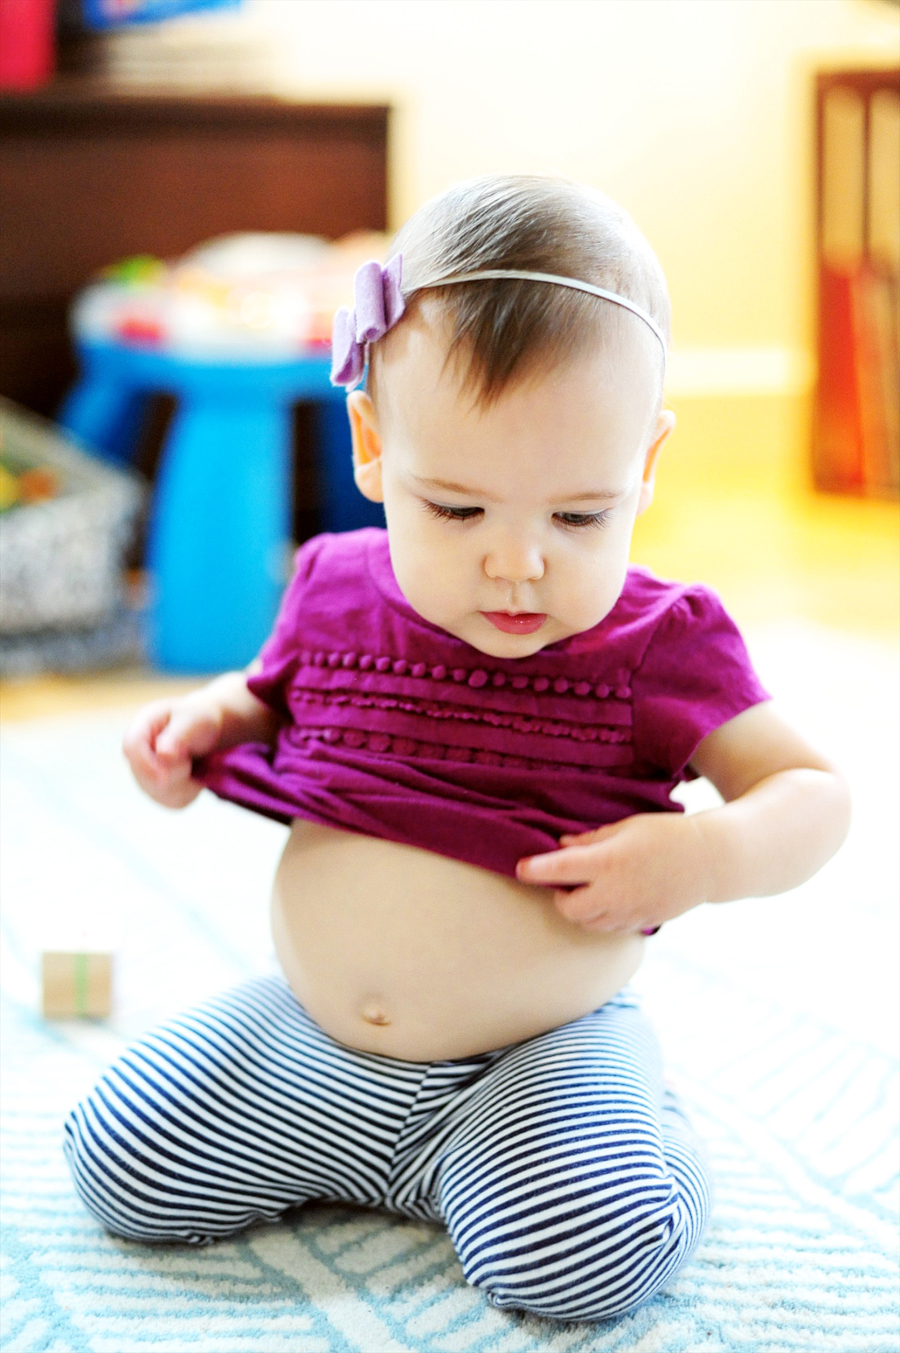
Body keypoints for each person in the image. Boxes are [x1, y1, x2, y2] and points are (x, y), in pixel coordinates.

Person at [63, 176, 850, 1324]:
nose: (517, 564)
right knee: (122, 1162)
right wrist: (206, 726)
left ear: (647, 464)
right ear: (374, 446)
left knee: (584, 1260)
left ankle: (616, 1127)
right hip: (316, 1040)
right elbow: (268, 696)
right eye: (458, 510)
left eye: (578, 516)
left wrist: (705, 857)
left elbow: (812, 794)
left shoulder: (660, 645)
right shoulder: (333, 589)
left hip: (527, 1061)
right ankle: (382, 1167)